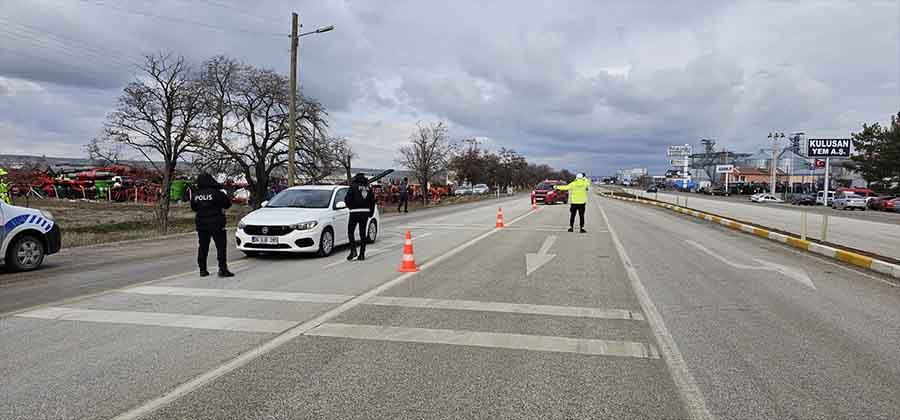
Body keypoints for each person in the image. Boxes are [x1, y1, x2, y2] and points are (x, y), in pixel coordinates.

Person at [190, 173, 234, 277]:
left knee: (203, 247)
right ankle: (222, 269)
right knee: (220, 247)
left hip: (202, 224)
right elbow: (227, 204)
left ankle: (202, 269)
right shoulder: (217, 193)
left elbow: (194, 207)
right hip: (216, 223)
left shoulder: (196, 194)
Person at [346, 173, 376, 261]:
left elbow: (347, 199)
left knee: (350, 232)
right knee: (363, 233)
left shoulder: (353, 186)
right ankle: (362, 254)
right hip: (365, 212)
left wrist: (350, 206)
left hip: (354, 212)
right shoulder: (368, 188)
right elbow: (372, 201)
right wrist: (371, 212)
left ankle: (353, 251)